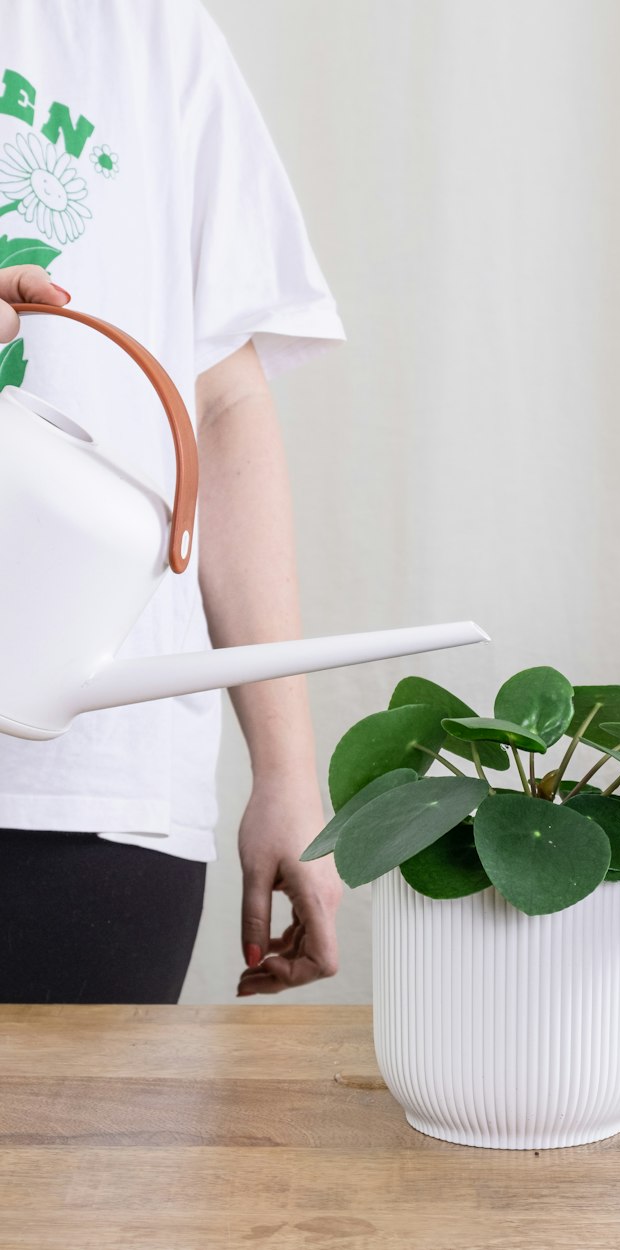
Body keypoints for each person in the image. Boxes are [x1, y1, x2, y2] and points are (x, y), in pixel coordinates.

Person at [0, 1, 344, 1003]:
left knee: (88, 1161)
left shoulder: (148, 33)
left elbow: (223, 400)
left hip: (105, 782)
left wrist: (285, 769)